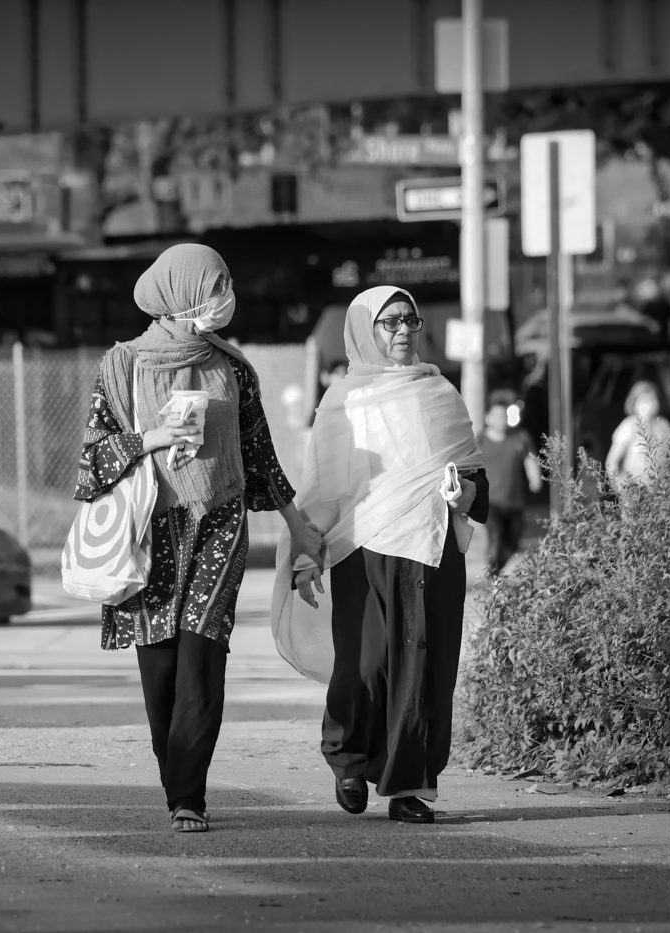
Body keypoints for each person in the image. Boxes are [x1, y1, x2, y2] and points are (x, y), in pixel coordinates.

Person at [73, 243, 322, 834]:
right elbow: (92, 462)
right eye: (213, 289)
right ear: (179, 297)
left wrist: (298, 525)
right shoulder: (122, 367)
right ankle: (176, 775)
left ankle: (190, 795)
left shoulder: (232, 369)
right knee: (160, 671)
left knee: (202, 661)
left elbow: (259, 455)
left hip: (218, 520)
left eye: (224, 286)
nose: (222, 299)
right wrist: (153, 438)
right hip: (150, 529)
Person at [269, 286, 488, 825]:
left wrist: (467, 496)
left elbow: (476, 476)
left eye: (410, 321)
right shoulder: (345, 399)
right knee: (364, 665)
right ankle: (349, 758)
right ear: (365, 329)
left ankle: (410, 785)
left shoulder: (442, 393)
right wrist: (306, 554)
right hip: (362, 552)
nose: (403, 332)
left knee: (424, 667)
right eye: (389, 323)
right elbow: (320, 490)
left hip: (432, 550)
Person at [478, 390, 543, 576]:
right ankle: (491, 577)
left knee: (513, 542)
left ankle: (496, 571)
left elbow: (530, 460)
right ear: (488, 417)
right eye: (496, 416)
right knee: (496, 536)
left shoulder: (520, 438)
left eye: (503, 415)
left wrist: (535, 478)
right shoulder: (480, 440)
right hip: (490, 502)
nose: (500, 419)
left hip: (514, 501)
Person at [605, 380, 670, 485]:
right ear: (634, 403)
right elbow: (611, 462)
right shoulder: (628, 425)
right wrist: (621, 488)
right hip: (635, 488)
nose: (649, 405)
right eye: (644, 400)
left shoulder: (663, 424)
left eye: (652, 400)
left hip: (660, 488)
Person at [634, 277, 670, 346]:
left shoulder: (665, 304)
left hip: (664, 337)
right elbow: (643, 319)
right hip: (650, 338)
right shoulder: (648, 305)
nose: (657, 290)